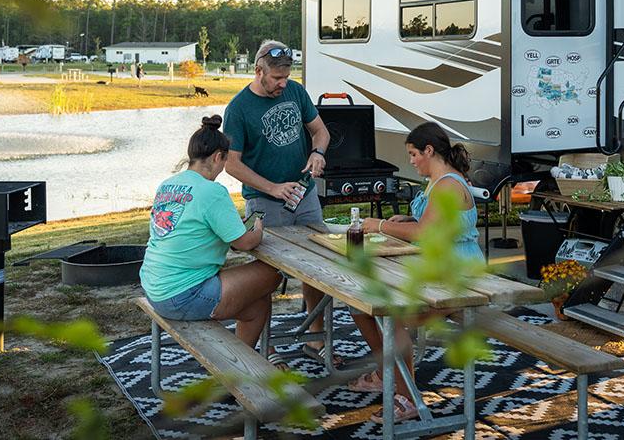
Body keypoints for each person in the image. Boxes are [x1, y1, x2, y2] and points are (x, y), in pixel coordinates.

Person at [349, 121, 485, 422]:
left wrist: (380, 225)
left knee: (391, 313)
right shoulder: (437, 180)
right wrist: (407, 217)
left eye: (413, 154)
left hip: (458, 273)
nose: (410, 161)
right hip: (437, 266)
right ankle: (390, 373)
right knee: (358, 303)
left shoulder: (449, 183)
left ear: (429, 150)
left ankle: (407, 398)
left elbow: (424, 232)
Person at [224, 40, 334, 364]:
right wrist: (272, 188)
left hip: (305, 194)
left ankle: (315, 340)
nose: (282, 84)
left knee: (318, 264)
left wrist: (317, 152)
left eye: (286, 77)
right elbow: (232, 163)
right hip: (265, 201)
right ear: (259, 71)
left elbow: (320, 132)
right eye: (276, 78)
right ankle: (265, 345)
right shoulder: (238, 108)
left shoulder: (295, 92)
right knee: (267, 274)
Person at [139, 115, 281, 349]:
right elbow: (243, 243)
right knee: (272, 273)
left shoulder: (167, 184)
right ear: (218, 157)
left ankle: (244, 362)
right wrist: (258, 229)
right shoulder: (212, 191)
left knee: (257, 303)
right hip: (183, 295)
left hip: (154, 285)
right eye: (224, 162)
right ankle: (241, 367)